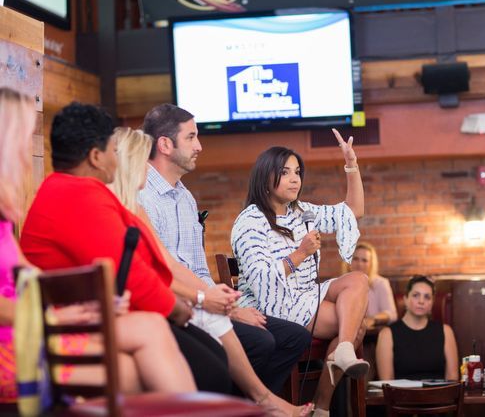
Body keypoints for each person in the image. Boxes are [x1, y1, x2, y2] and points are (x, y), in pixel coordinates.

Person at [20, 102, 231, 395]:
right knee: (211, 371)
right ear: (96, 157)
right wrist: (175, 308)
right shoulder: (80, 196)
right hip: (79, 325)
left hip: (105, 314)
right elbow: (130, 272)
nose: (118, 160)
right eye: (113, 151)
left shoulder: (66, 189)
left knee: (212, 358)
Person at [113, 126, 312, 416]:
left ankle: (256, 403)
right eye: (143, 161)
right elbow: (151, 275)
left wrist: (213, 297)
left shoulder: (165, 202)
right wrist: (204, 299)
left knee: (293, 336)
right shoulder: (126, 208)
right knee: (244, 347)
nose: (148, 167)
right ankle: (257, 402)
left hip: (180, 300)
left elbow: (170, 265)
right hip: (154, 308)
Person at [231, 138, 369, 415]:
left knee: (359, 280)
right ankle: (321, 407)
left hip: (305, 296)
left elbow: (353, 212)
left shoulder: (301, 211)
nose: (295, 179)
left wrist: (351, 164)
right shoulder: (250, 221)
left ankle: (341, 353)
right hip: (272, 304)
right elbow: (262, 280)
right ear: (265, 177)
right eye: (285, 173)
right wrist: (300, 254)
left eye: (297, 172)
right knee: (356, 326)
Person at [375, 276, 458, 381]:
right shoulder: (387, 334)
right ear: (405, 299)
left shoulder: (446, 331)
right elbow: (387, 382)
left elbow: (452, 377)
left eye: (427, 297)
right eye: (416, 295)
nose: (421, 301)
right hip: (401, 392)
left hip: (439, 391)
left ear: (432, 303)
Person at [344, 242, 397, 329]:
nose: (359, 264)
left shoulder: (381, 283)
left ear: (371, 264)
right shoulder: (340, 283)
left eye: (364, 260)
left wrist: (372, 319)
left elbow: (392, 314)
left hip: (373, 332)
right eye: (355, 259)